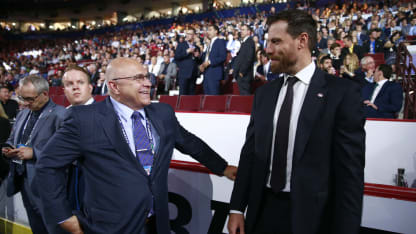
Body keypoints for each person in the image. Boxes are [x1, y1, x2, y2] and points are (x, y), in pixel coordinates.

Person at [34, 57, 237, 234]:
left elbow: (189, 143)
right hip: (109, 227)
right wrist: (62, 216)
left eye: (146, 77)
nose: (148, 83)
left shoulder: (163, 113)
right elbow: (47, 166)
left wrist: (223, 167)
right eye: (138, 78)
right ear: (114, 86)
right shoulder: (83, 119)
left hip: (158, 224)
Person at [228, 10, 365, 234]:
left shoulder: (343, 94)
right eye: (267, 42)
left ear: (302, 40)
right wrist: (236, 208)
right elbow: (251, 154)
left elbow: (350, 177)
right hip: (262, 213)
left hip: (314, 220)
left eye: (276, 41)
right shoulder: (264, 94)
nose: (268, 49)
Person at [2, 75, 66, 234]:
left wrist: (35, 153)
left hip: (47, 184)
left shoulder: (61, 114)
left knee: (54, 229)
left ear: (45, 94)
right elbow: (12, 138)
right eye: (22, 98)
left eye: (30, 99)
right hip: (22, 180)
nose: (25, 103)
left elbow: (67, 152)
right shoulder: (23, 113)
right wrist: (8, 148)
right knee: (36, 226)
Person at [62, 65, 95, 212]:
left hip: (94, 184)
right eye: (69, 84)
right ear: (64, 91)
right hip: (66, 181)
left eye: (80, 82)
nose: (75, 87)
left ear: (90, 87)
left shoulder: (107, 115)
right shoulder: (62, 115)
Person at [200, 25, 227, 95]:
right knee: (207, 98)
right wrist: (202, 65)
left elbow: (223, 57)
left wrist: (209, 62)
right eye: (208, 30)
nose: (208, 32)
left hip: (214, 74)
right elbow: (206, 57)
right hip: (206, 73)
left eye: (210, 30)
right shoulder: (209, 44)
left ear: (216, 31)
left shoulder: (220, 41)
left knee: (213, 98)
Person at [174, 28, 200, 95]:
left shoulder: (197, 47)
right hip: (183, 73)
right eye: (187, 34)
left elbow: (199, 61)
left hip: (193, 74)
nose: (187, 35)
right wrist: (187, 51)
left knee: (192, 94)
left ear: (194, 35)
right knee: (183, 94)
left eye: (190, 34)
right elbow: (176, 57)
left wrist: (197, 56)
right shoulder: (181, 45)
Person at [232, 24, 256, 95]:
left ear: (248, 32)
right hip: (242, 76)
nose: (241, 31)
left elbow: (249, 58)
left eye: (243, 30)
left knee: (245, 99)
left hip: (244, 76)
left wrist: (242, 72)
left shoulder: (249, 42)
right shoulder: (245, 42)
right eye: (240, 30)